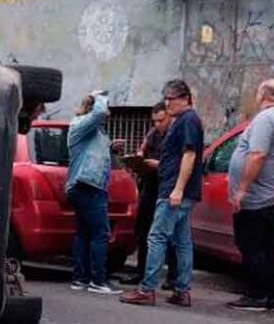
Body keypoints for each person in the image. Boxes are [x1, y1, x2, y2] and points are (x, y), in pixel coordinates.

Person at [121, 79, 203, 307]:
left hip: (174, 191)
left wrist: (177, 188)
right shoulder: (184, 120)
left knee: (157, 237)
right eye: (165, 98)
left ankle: (147, 290)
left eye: (172, 98)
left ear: (185, 98)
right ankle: (181, 289)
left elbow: (189, 155)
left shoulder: (187, 120)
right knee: (182, 241)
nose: (168, 102)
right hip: (179, 190)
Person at [65, 91, 122, 295]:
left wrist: (110, 148)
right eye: (105, 108)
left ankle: (81, 279)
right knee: (100, 233)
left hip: (85, 186)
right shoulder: (81, 124)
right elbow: (98, 113)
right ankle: (98, 280)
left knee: (84, 233)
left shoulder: (93, 131)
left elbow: (93, 153)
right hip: (87, 186)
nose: (107, 113)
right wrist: (101, 96)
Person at [226, 79, 274, 311]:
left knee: (252, 245)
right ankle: (267, 293)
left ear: (263, 95)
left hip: (259, 198)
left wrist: (242, 188)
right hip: (269, 196)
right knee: (267, 247)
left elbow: (257, 155)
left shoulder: (266, 118)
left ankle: (257, 295)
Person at [121, 102, 177, 287]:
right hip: (149, 185)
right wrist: (138, 158)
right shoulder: (153, 133)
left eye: (161, 120)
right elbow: (142, 149)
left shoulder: (175, 133)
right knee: (143, 230)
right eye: (155, 121)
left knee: (168, 233)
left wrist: (158, 164)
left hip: (167, 186)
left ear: (169, 117)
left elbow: (177, 164)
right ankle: (141, 272)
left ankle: (172, 277)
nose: (158, 124)